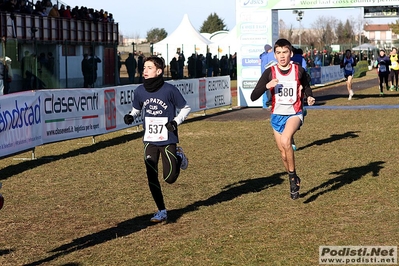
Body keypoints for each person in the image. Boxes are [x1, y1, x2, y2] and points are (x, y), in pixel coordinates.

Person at [123, 56, 191, 222]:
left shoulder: (169, 90)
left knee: (170, 178)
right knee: (151, 174)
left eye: (149, 68)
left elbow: (186, 108)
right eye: (144, 67)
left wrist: (175, 122)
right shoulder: (139, 90)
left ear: (159, 71)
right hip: (150, 138)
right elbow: (136, 109)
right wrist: (131, 116)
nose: (144, 70)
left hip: (168, 138)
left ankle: (179, 156)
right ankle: (161, 211)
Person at [250, 38, 316, 200]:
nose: (282, 56)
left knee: (287, 141)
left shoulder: (298, 70)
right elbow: (253, 96)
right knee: (284, 154)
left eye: (285, 52)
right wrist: (267, 86)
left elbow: (307, 85)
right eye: (278, 53)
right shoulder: (269, 73)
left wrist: (309, 97)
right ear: (274, 54)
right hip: (276, 116)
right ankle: (293, 176)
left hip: (294, 113)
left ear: (290, 53)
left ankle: (293, 180)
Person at [260, 44, 276, 109]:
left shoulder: (263, 57)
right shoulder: (273, 55)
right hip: (273, 74)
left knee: (266, 90)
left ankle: (266, 104)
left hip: (264, 75)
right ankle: (272, 103)